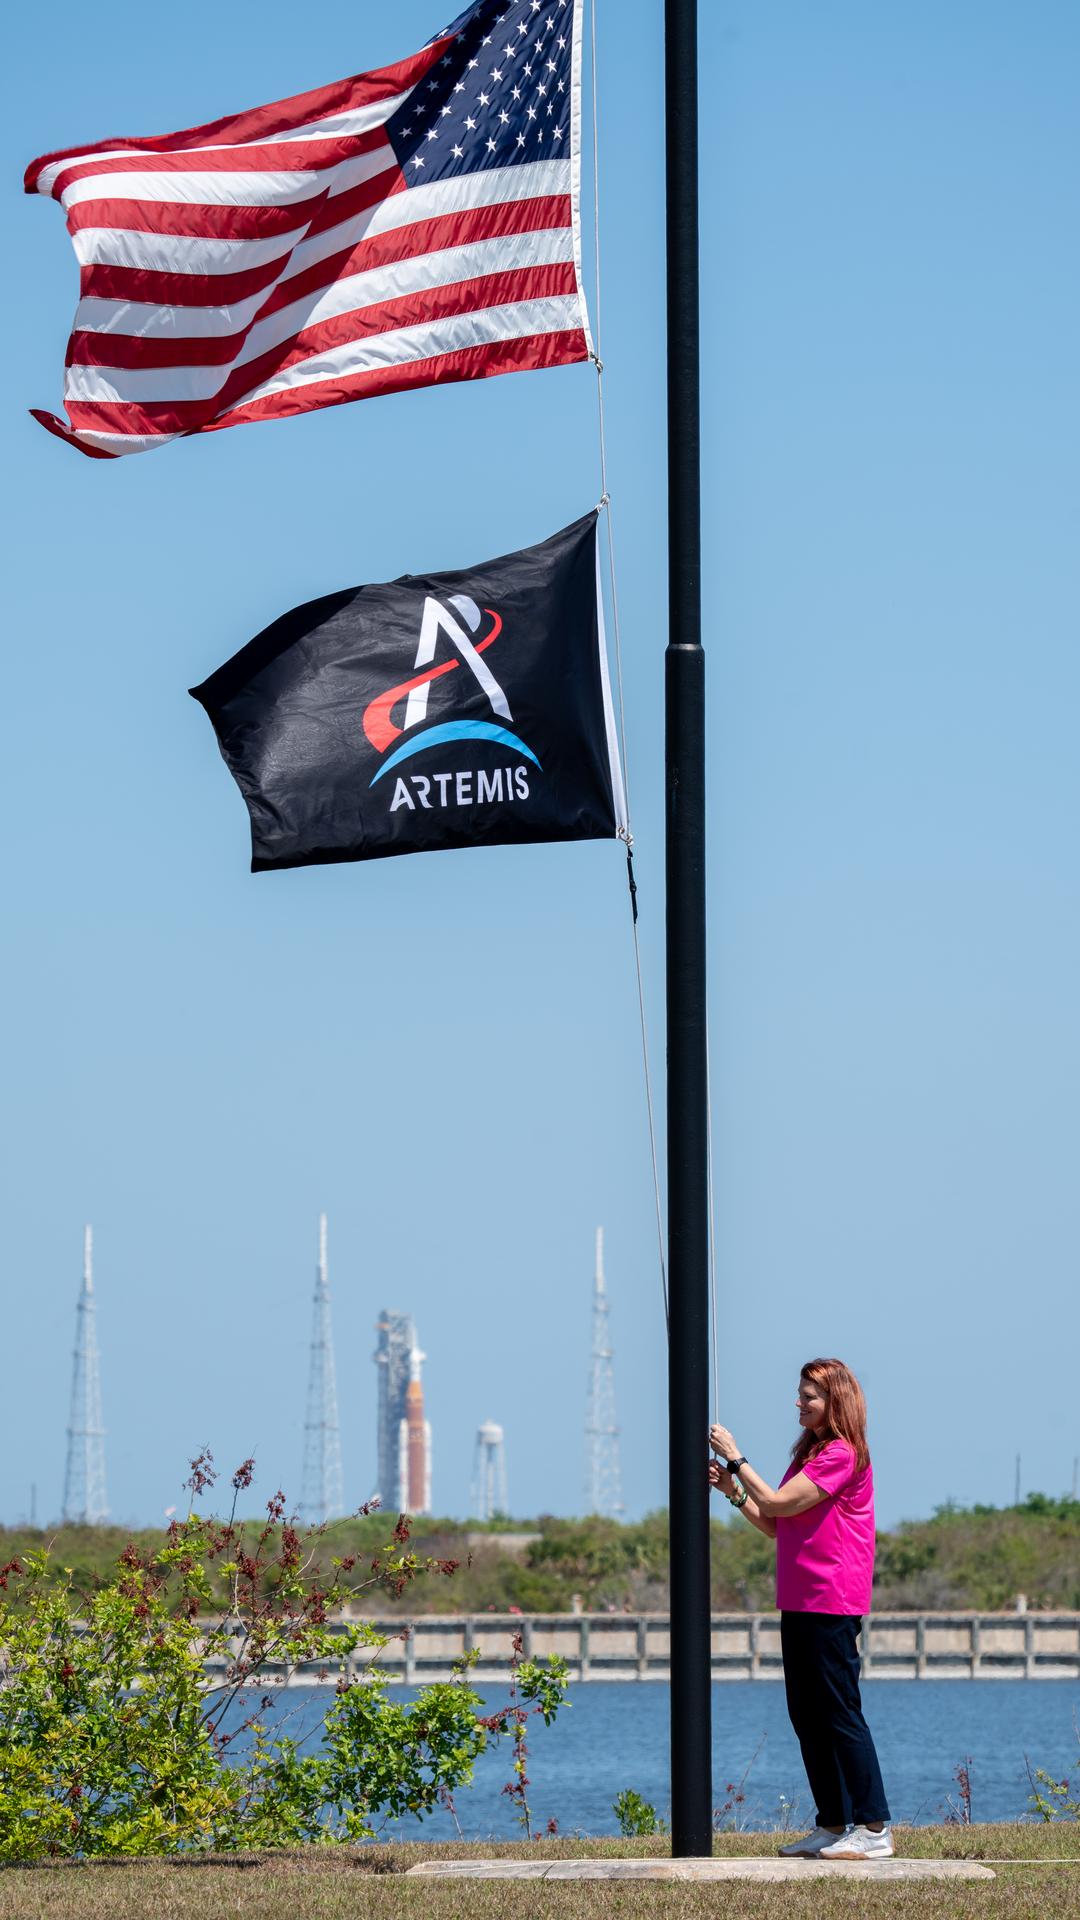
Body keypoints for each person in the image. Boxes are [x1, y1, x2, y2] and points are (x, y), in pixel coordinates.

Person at [708, 1357, 892, 1861]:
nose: (799, 1402)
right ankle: (833, 1825)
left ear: (835, 1401)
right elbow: (774, 1520)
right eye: (800, 1393)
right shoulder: (810, 1454)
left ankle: (873, 1828)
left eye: (809, 1395)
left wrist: (736, 1457)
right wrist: (734, 1491)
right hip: (800, 1599)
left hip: (832, 1599)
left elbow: (783, 1503)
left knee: (838, 1711)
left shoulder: (842, 1453)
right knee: (806, 1715)